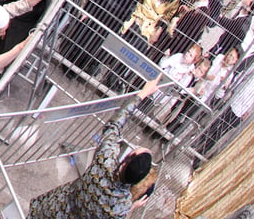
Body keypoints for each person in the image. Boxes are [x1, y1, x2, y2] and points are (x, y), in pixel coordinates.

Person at [27, 77, 161, 219]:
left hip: (52, 209)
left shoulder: (105, 162)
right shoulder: (122, 205)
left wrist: (142, 94)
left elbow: (114, 125)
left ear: (126, 160)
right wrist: (132, 207)